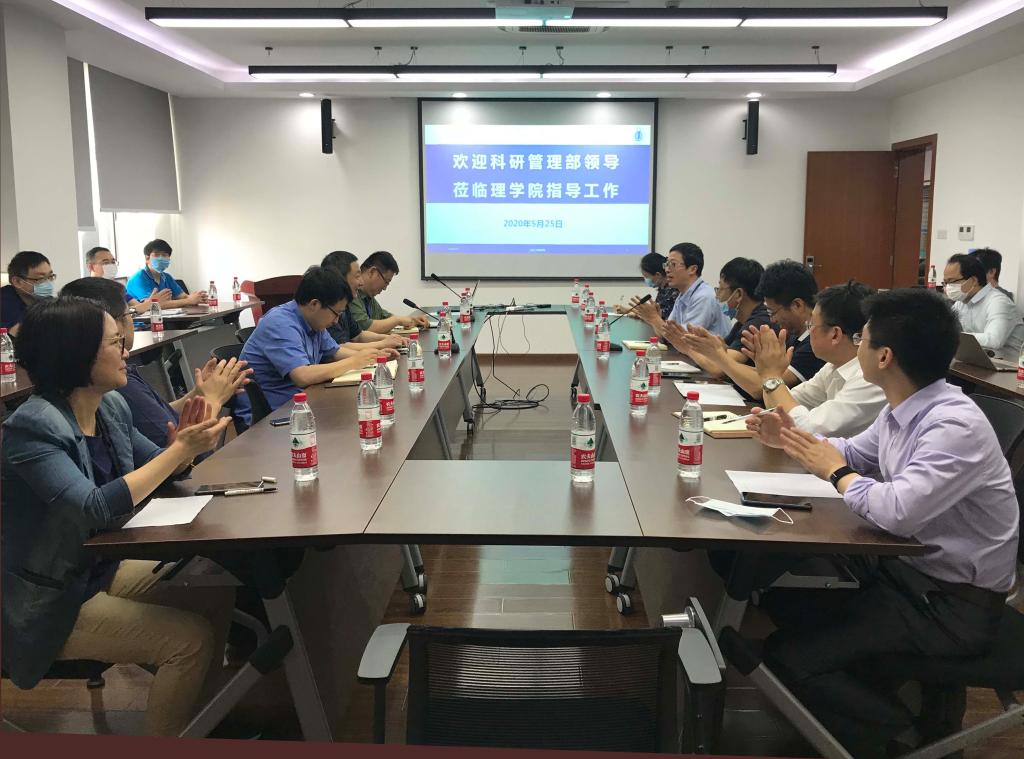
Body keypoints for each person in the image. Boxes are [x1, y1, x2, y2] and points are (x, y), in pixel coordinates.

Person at [758, 288, 1018, 758]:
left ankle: (909, 740)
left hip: (951, 606)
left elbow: (897, 510)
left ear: (884, 356)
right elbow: (853, 453)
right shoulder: (903, 407)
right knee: (784, 602)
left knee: (789, 659)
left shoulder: (952, 424)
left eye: (862, 339)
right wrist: (790, 440)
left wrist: (836, 472)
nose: (856, 347)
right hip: (909, 578)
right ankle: (901, 716)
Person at [2, 296, 234, 736]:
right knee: (188, 642)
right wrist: (178, 453)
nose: (127, 347)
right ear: (78, 355)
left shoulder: (110, 407)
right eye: (115, 342)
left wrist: (186, 441)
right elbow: (93, 506)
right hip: (53, 598)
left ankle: (199, 724)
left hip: (98, 568)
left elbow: (163, 467)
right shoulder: (32, 428)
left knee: (214, 592)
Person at [61, 277, 250, 449]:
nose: (124, 352)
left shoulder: (120, 375)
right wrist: (214, 398)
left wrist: (199, 394)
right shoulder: (116, 384)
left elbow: (161, 413)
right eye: (130, 315)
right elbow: (184, 452)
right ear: (112, 323)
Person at [744, 280, 886, 438]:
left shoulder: (870, 378)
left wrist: (771, 375)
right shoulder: (833, 366)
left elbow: (808, 429)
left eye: (811, 325)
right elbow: (780, 408)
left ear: (835, 335)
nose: (809, 331)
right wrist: (768, 374)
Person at [239, 266, 388, 415]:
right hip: (270, 417)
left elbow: (335, 352)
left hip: (300, 404)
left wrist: (374, 356)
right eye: (336, 313)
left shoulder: (314, 322)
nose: (336, 321)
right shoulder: (280, 323)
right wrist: (354, 361)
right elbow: (302, 376)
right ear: (314, 304)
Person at [671, 259, 825, 399]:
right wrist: (718, 353)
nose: (772, 320)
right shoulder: (793, 335)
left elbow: (764, 387)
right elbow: (766, 376)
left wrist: (716, 356)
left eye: (773, 312)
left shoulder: (814, 343)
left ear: (797, 305)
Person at [669, 257, 771, 377]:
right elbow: (721, 353)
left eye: (721, 289)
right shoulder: (742, 323)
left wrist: (687, 348)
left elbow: (718, 368)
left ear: (738, 294)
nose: (717, 295)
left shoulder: (757, 325)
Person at [631, 242, 730, 338]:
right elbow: (666, 335)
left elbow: (684, 340)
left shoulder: (704, 297)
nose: (667, 270)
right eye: (666, 264)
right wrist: (653, 319)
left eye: (673, 264)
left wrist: (654, 318)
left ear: (692, 269)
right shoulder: (682, 295)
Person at [320, 250, 409, 352]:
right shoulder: (326, 308)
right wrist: (382, 345)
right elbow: (338, 348)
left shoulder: (345, 304)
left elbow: (359, 335)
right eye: (357, 276)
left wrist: (388, 339)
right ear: (340, 278)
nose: (361, 282)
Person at [944, 252, 1024, 356]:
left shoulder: (999, 302)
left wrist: (953, 336)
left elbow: (994, 340)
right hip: (976, 360)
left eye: (952, 281)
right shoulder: (961, 303)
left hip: (1006, 364)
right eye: (945, 282)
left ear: (973, 280)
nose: (948, 287)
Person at [349, 250, 428, 333]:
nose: (385, 288)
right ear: (372, 272)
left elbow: (385, 317)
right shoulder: (351, 294)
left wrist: (412, 320)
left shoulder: (368, 296)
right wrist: (397, 320)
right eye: (386, 282)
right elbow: (366, 328)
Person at [124, 239, 206, 307]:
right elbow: (152, 305)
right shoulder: (138, 278)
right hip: (146, 321)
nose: (161, 258)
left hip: (166, 319)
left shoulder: (167, 277)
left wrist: (198, 298)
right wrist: (189, 301)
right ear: (147, 258)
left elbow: (183, 297)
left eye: (164, 255)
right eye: (157, 255)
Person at [86, 246, 168, 310]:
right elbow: (115, 314)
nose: (111, 265)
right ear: (91, 267)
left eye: (113, 262)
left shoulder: (117, 288)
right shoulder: (87, 291)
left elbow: (137, 306)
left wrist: (150, 302)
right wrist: (150, 304)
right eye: (106, 262)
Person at [1, 250, 55, 334]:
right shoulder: (4, 301)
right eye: (40, 279)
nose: (48, 283)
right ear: (17, 281)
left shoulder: (48, 300)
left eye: (50, 276)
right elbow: (19, 334)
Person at [613, 252, 679, 321]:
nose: (646, 280)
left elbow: (662, 318)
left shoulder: (673, 292)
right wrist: (628, 310)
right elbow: (654, 313)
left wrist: (638, 315)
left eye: (646, 277)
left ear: (658, 275)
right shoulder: (663, 289)